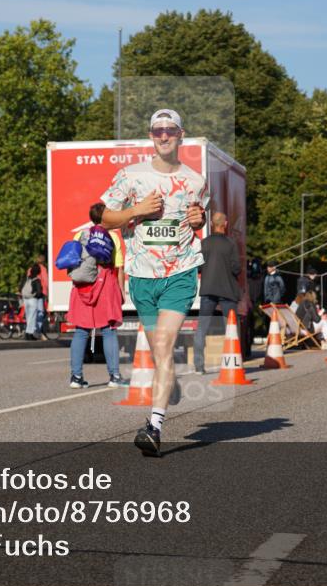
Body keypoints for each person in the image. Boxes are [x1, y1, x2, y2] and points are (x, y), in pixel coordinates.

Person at [100, 108, 208, 457]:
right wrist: (137, 211)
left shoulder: (195, 180)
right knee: (161, 351)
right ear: (150, 135)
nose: (164, 136)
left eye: (170, 130)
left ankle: (154, 426)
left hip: (180, 272)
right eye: (158, 130)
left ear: (181, 135)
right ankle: (167, 383)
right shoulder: (131, 176)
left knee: (163, 343)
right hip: (143, 277)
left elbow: (198, 218)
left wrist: (198, 219)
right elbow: (103, 217)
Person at [67, 205, 126, 388]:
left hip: (83, 286)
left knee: (81, 331)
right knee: (108, 331)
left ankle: (76, 378)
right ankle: (114, 376)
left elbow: (73, 262)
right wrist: (121, 291)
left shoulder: (80, 235)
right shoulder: (113, 237)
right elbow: (119, 268)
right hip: (105, 285)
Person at [193, 212, 241, 374]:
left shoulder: (203, 244)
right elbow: (236, 268)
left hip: (207, 290)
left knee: (202, 328)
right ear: (225, 224)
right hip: (227, 290)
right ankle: (233, 362)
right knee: (232, 327)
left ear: (212, 225)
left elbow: (198, 267)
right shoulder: (231, 244)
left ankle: (199, 366)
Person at [21, 264, 48, 341]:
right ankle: (30, 334)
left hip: (26, 299)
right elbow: (39, 292)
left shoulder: (27, 278)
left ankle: (27, 333)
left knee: (28, 317)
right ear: (38, 272)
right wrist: (41, 295)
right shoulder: (37, 280)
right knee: (33, 318)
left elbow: (21, 287)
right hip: (33, 299)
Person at [27, 254, 49, 338]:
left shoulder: (30, 269)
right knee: (40, 312)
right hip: (40, 293)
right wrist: (47, 293)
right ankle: (37, 332)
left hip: (30, 293)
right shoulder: (43, 269)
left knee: (31, 313)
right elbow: (46, 282)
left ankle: (29, 331)